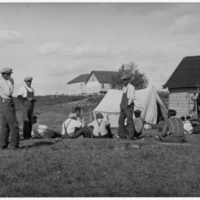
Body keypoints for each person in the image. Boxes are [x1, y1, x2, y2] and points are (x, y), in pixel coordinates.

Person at [0, 68, 20, 150]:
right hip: (7, 103)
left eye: (10, 74)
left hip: (2, 103)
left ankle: (2, 144)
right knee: (14, 124)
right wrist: (12, 84)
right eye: (7, 74)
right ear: (3, 74)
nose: (9, 76)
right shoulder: (4, 82)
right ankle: (14, 144)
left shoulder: (2, 81)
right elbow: (8, 93)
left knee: (4, 125)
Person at [118, 74, 135, 139]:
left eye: (125, 80)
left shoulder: (131, 87)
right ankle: (122, 135)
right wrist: (121, 105)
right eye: (123, 80)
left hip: (128, 106)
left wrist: (128, 104)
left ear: (128, 80)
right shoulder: (124, 87)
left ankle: (131, 137)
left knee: (129, 121)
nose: (124, 81)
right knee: (120, 120)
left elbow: (132, 97)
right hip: (123, 106)